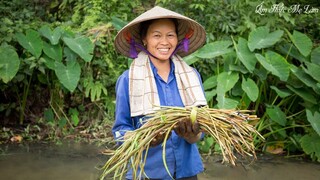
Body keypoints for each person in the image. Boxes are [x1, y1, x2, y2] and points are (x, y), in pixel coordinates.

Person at [112, 6, 207, 180]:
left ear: (177, 39)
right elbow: (120, 131)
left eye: (170, 35)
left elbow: (203, 128)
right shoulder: (128, 80)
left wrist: (193, 134)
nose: (165, 42)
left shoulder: (191, 77)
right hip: (146, 172)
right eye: (157, 35)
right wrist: (144, 139)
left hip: (186, 172)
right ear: (144, 39)